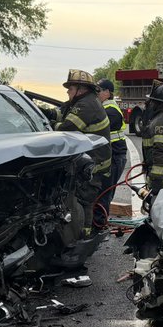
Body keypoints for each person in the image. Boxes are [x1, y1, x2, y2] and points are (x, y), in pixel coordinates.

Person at [55, 69, 111, 234]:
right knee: (84, 199)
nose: (68, 91)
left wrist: (50, 125)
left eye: (70, 88)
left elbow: (66, 129)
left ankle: (83, 235)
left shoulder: (86, 105)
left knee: (85, 200)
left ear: (81, 89)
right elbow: (61, 113)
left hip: (94, 164)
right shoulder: (84, 102)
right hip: (93, 160)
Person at [97, 78, 128, 222]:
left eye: (99, 91)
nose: (97, 94)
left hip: (115, 156)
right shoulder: (106, 108)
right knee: (106, 191)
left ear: (107, 92)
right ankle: (102, 221)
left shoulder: (110, 111)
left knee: (105, 192)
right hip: (115, 155)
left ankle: (101, 224)